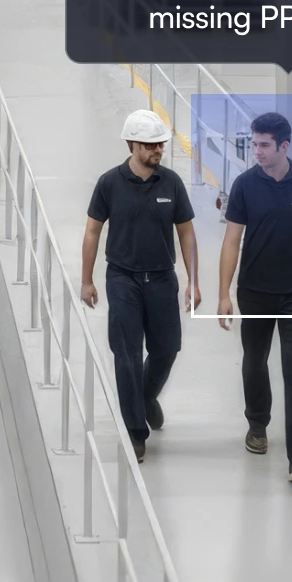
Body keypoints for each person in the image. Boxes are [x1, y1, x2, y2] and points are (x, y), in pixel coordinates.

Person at [217, 111, 292, 485]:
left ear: (284, 146)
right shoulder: (244, 186)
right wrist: (224, 294)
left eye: (264, 145)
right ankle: (257, 425)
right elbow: (231, 241)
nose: (257, 151)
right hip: (254, 292)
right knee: (255, 362)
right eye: (253, 144)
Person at [81, 109, 201, 463]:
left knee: (167, 348)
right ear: (132, 144)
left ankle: (147, 396)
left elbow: (187, 233)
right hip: (122, 278)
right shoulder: (109, 183)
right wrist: (86, 279)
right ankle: (135, 430)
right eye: (150, 145)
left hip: (162, 277)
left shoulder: (172, 183)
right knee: (127, 355)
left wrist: (193, 281)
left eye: (160, 145)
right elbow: (92, 231)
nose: (158, 151)